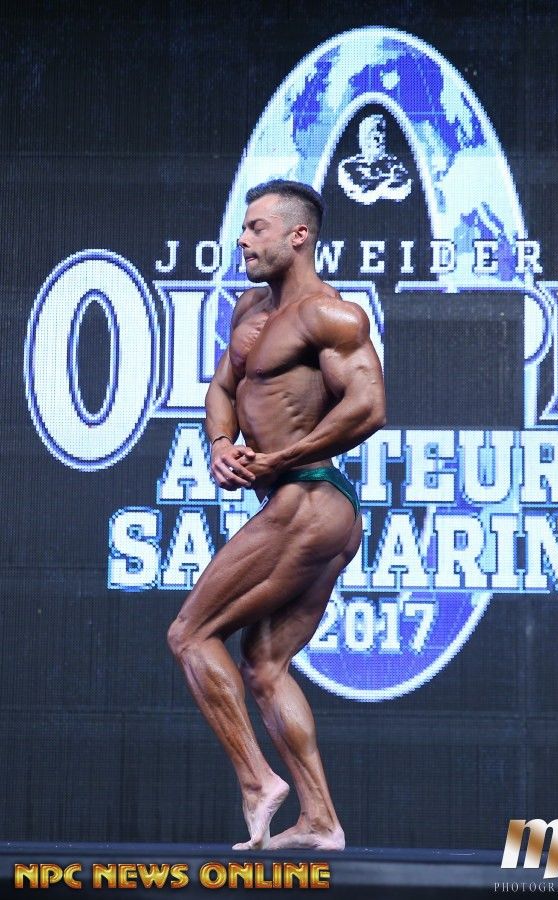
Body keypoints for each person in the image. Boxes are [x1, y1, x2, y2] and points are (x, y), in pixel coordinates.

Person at [167, 179, 386, 851]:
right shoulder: (250, 309)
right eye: (243, 228)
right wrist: (221, 444)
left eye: (256, 228)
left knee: (190, 634)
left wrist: (281, 456)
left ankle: (258, 781)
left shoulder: (331, 316)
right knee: (264, 664)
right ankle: (321, 820)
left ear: (299, 235)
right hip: (303, 503)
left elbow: (369, 407)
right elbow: (222, 388)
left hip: (309, 497)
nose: (242, 240)